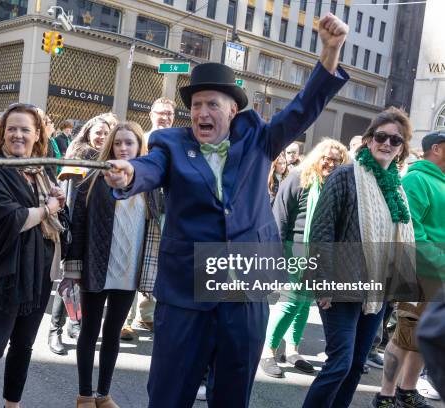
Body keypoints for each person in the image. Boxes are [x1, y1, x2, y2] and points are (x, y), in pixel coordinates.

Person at [103, 13, 349, 408]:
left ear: (232, 110)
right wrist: (129, 173)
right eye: (197, 104)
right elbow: (149, 168)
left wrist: (330, 51)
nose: (202, 112)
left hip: (246, 287)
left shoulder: (259, 140)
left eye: (212, 104)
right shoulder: (170, 142)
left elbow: (304, 108)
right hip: (186, 289)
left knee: (234, 394)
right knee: (169, 392)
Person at [302, 107, 417, 408]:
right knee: (339, 363)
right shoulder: (344, 176)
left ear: (402, 148)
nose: (388, 144)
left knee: (355, 366)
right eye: (381, 137)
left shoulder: (396, 188)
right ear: (369, 140)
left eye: (396, 140)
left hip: (377, 293)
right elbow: (321, 231)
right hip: (340, 287)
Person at [0, 103, 65, 408]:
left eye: (25, 129)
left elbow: (54, 215)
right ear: (2, 133)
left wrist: (57, 198)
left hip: (38, 268)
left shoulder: (43, 169)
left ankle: (13, 404)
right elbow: (13, 219)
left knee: (23, 345)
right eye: (12, 128)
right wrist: (49, 208)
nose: (18, 135)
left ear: (37, 135)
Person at [62, 121, 161, 408]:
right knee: (89, 331)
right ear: (110, 146)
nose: (123, 147)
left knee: (113, 335)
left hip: (129, 271)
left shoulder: (149, 184)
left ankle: (103, 394)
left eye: (130, 142)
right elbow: (78, 225)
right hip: (96, 266)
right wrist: (73, 267)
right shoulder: (93, 178)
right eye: (118, 143)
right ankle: (84, 395)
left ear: (139, 146)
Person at [261, 139, 348, 379]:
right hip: (293, 251)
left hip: (318, 254)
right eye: (326, 158)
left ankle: (292, 351)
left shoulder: (335, 185)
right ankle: (267, 351)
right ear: (317, 157)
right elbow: (280, 216)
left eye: (336, 160)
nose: (330, 163)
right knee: (289, 302)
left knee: (303, 305)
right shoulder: (298, 178)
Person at [371, 131, 445, 408]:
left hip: (439, 278)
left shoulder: (441, 182)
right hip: (419, 274)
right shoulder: (417, 178)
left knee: (426, 338)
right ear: (436, 149)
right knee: (404, 336)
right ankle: (386, 396)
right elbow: (413, 231)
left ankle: (407, 391)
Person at [48, 116, 111, 355]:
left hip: (97, 231)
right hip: (77, 229)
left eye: (107, 133)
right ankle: (55, 331)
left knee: (82, 282)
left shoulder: (107, 159)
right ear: (87, 133)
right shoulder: (80, 155)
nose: (102, 137)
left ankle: (76, 324)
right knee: (69, 281)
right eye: (98, 132)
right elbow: (71, 200)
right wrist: (70, 234)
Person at [121, 97, 175, 341]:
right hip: (140, 208)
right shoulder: (141, 139)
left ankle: (146, 315)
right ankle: (126, 320)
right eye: (160, 113)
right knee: (134, 260)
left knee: (156, 263)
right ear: (151, 114)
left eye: (169, 114)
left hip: (166, 211)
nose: (164, 117)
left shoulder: (177, 143)